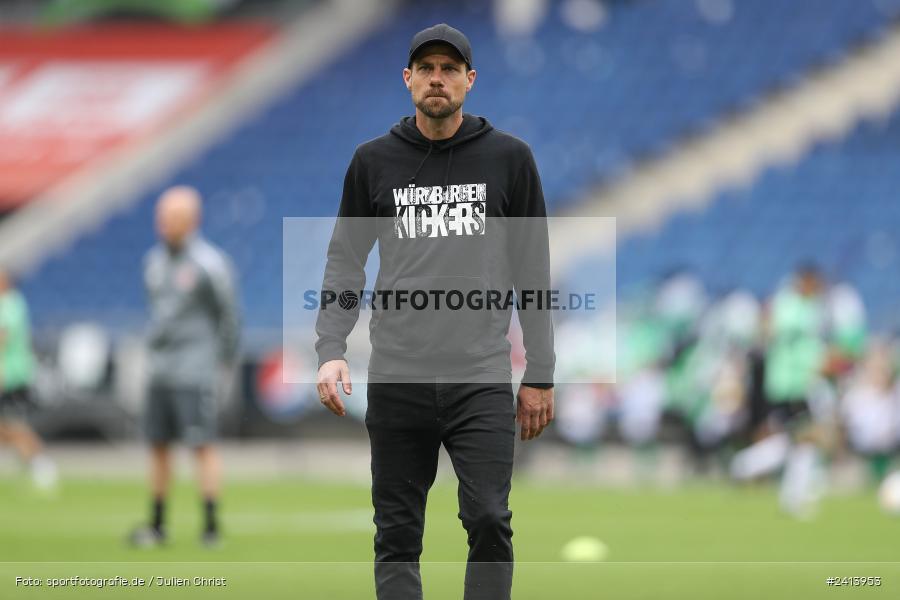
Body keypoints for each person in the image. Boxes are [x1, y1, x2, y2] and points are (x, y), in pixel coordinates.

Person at [315, 24, 555, 600]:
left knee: (491, 520)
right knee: (397, 535)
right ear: (408, 79)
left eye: (450, 69)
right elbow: (345, 261)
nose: (437, 79)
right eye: (426, 69)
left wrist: (541, 374)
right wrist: (330, 350)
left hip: (480, 376)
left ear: (470, 81)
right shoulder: (372, 161)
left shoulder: (510, 159)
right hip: (399, 375)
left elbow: (534, 274)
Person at [129, 186, 240, 548]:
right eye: (162, 216)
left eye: (173, 217)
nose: (165, 224)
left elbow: (229, 315)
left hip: (196, 370)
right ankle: (157, 525)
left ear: (192, 220)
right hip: (161, 369)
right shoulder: (153, 262)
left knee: (202, 445)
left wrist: (223, 361)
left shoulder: (210, 264)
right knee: (157, 445)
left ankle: (211, 528)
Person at [0, 269, 57, 490]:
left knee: (13, 424)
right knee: (9, 425)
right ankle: (35, 461)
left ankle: (40, 462)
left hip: (11, 375)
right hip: (12, 374)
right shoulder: (12, 303)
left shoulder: (10, 304)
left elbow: (3, 338)